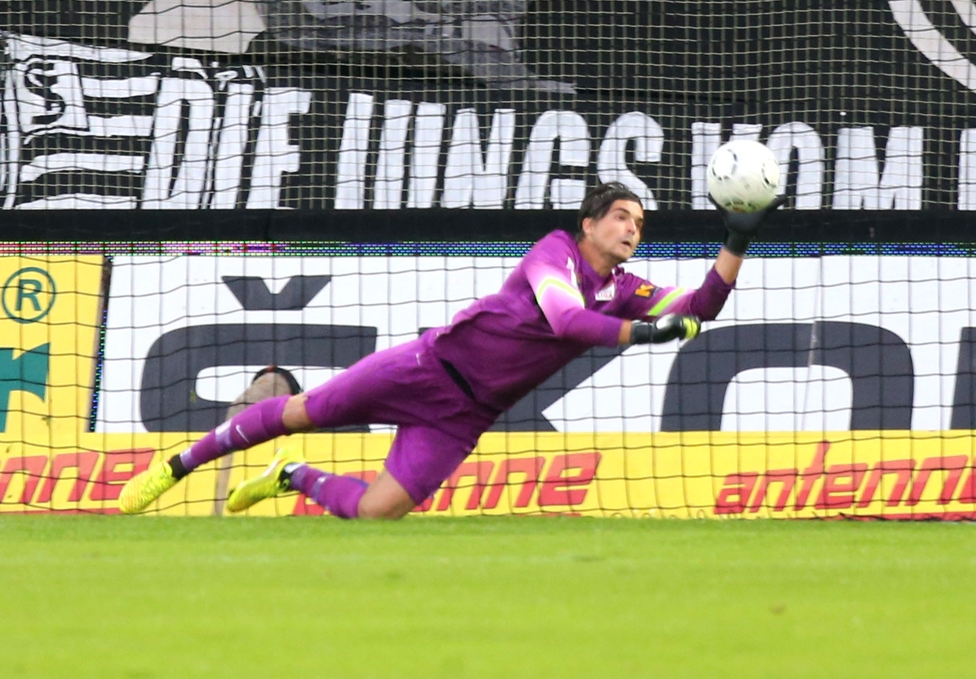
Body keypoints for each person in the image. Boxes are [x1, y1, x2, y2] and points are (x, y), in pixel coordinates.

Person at [119, 182, 783, 519]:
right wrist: (638, 333)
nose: (633, 229)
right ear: (589, 223)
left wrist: (737, 242)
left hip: (464, 416)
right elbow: (565, 319)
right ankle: (176, 465)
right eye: (622, 217)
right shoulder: (554, 252)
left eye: (640, 225)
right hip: (427, 367)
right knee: (300, 408)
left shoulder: (626, 288)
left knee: (379, 510)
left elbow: (699, 306)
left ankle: (292, 477)